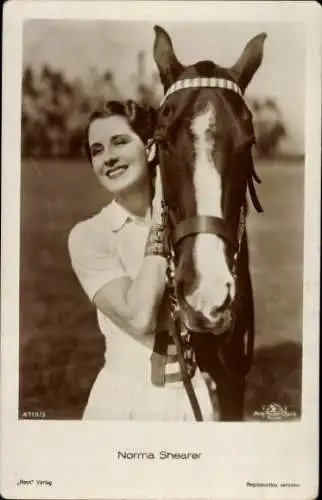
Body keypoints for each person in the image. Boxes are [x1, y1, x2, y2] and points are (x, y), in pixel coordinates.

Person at [68, 100, 215, 421]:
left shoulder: (191, 226)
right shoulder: (91, 235)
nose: (108, 157)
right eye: (96, 150)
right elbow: (138, 317)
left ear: (150, 150)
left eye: (120, 142)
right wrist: (162, 219)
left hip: (195, 398)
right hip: (127, 402)